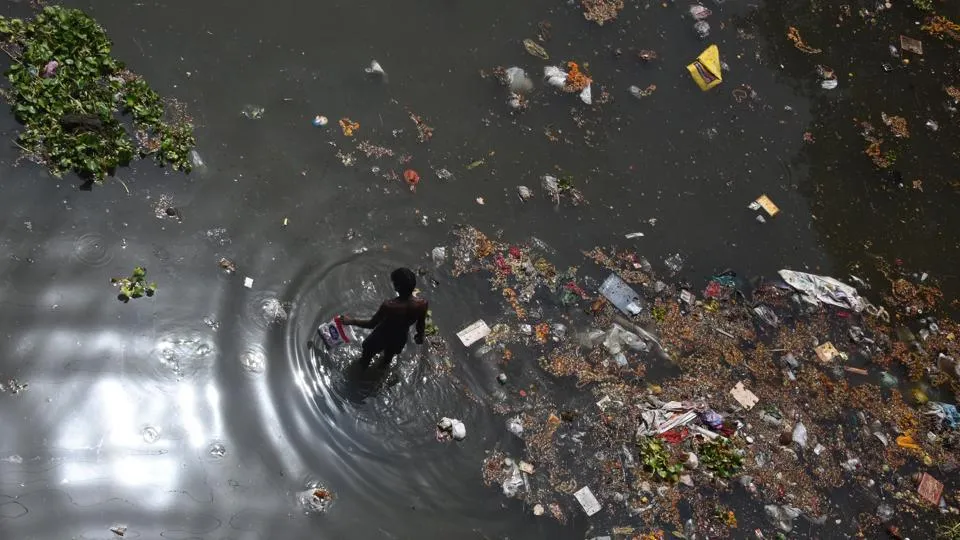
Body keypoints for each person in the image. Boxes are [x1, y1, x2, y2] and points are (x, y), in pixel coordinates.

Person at [341, 268, 428, 369]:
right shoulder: (422, 304)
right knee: (387, 359)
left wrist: (351, 321)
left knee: (366, 356)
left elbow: (371, 324)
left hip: (382, 335)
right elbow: (421, 324)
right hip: (400, 338)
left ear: (396, 287)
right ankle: (380, 372)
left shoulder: (390, 305)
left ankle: (361, 373)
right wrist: (420, 336)